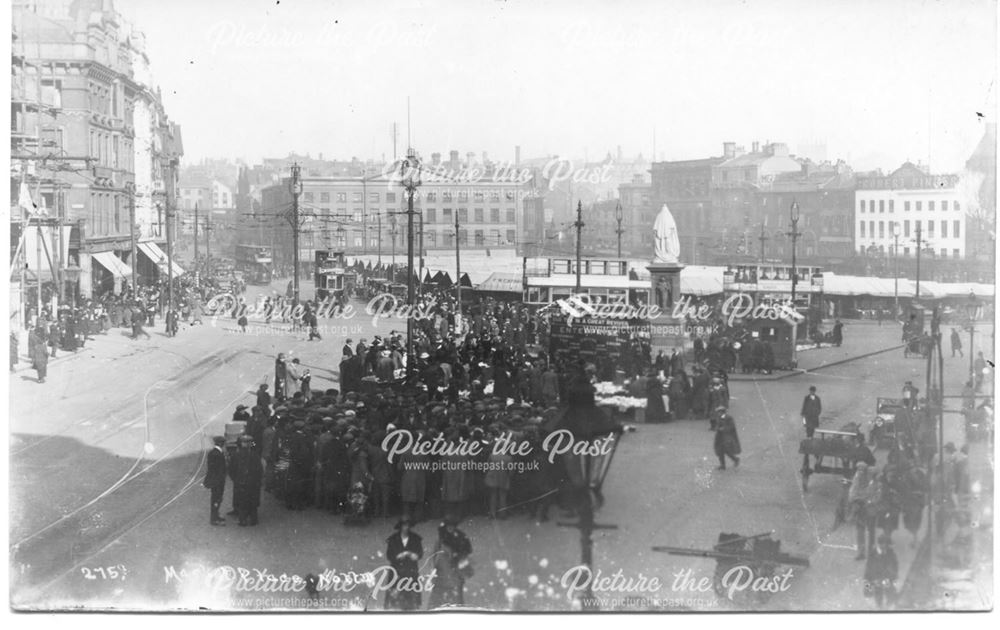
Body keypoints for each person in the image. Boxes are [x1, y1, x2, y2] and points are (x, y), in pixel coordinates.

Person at [428, 515, 473, 609]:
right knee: (437, 604)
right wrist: (433, 571)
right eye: (448, 525)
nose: (450, 527)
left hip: (455, 575)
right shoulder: (440, 539)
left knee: (455, 605)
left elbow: (465, 555)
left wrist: (458, 559)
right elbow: (434, 557)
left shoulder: (461, 538)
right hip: (441, 576)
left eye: (452, 525)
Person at [384, 518, 423, 611]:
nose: (406, 527)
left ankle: (410, 609)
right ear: (400, 526)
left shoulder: (415, 538)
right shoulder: (393, 539)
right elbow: (389, 555)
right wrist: (398, 556)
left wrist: (413, 555)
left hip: (411, 570)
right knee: (395, 596)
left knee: (410, 595)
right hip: (397, 571)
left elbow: (420, 553)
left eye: (408, 525)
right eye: (404, 525)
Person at [230, 434, 263, 526]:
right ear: (250, 444)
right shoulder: (255, 456)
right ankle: (254, 520)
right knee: (252, 501)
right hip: (253, 483)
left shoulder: (236, 455)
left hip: (240, 482)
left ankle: (242, 520)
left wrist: (236, 479)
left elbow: (231, 470)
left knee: (242, 501)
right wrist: (257, 481)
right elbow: (260, 470)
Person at [863, 533, 898, 609]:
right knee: (872, 591)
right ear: (880, 544)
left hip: (886, 578)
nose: (885, 547)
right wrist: (869, 582)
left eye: (887, 545)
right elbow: (869, 569)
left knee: (890, 591)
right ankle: (879, 606)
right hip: (874, 578)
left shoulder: (891, 553)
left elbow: (895, 568)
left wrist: (891, 579)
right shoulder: (873, 555)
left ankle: (889, 604)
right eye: (883, 545)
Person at [203, 436, 227, 526]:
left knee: (217, 499)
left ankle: (216, 515)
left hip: (216, 481)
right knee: (216, 500)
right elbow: (218, 470)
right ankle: (214, 519)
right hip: (217, 482)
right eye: (223, 443)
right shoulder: (217, 454)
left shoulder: (214, 452)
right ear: (221, 444)